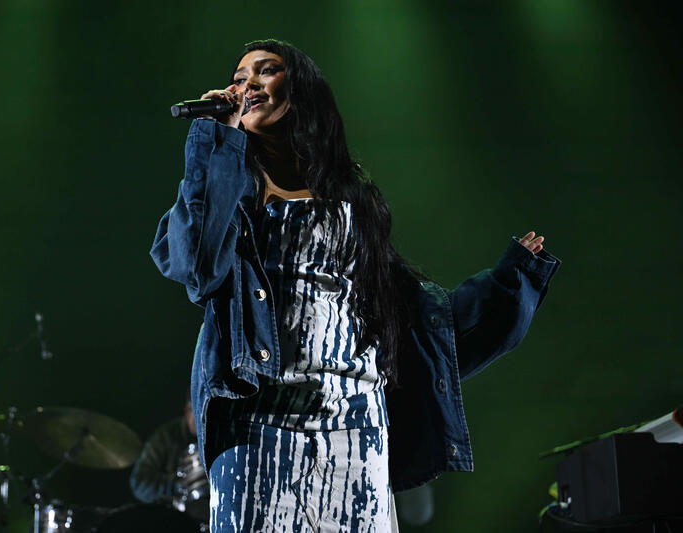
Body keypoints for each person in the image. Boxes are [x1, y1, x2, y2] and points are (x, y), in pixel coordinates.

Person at [150, 39, 559, 532]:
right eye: (239, 76)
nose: (247, 83)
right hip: (257, 424)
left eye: (267, 70)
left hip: (357, 425)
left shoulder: (354, 199)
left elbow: (413, 322)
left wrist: (508, 282)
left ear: (300, 90)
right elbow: (197, 267)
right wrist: (213, 144)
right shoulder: (231, 190)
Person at [129, 398, 210, 525]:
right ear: (187, 411)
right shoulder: (166, 437)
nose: (205, 419)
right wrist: (180, 485)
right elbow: (139, 483)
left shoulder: (220, 434)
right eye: (200, 410)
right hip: (172, 520)